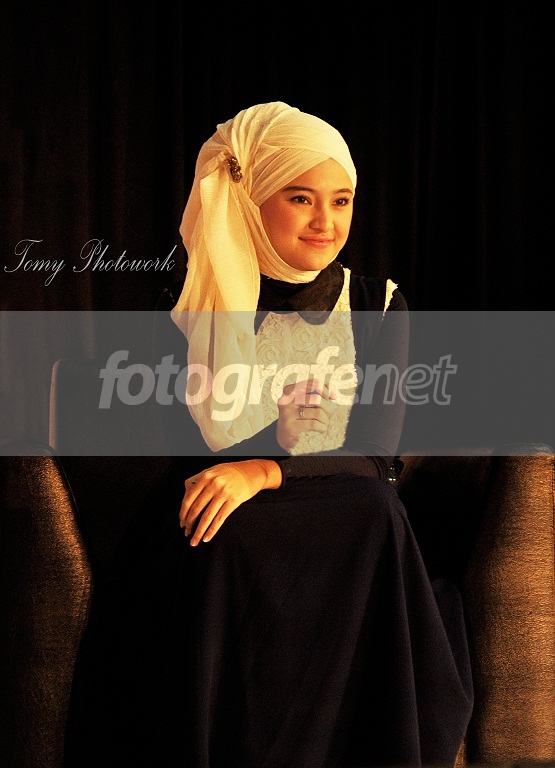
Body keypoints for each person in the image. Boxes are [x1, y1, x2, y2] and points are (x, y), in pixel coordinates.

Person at [64, 102, 473, 767]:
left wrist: (266, 466)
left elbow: (376, 455)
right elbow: (189, 453)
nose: (325, 221)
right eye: (300, 197)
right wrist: (264, 442)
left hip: (341, 509)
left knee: (376, 508)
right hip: (223, 515)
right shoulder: (189, 302)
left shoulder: (376, 304)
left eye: (341, 200)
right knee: (222, 528)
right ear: (252, 200)